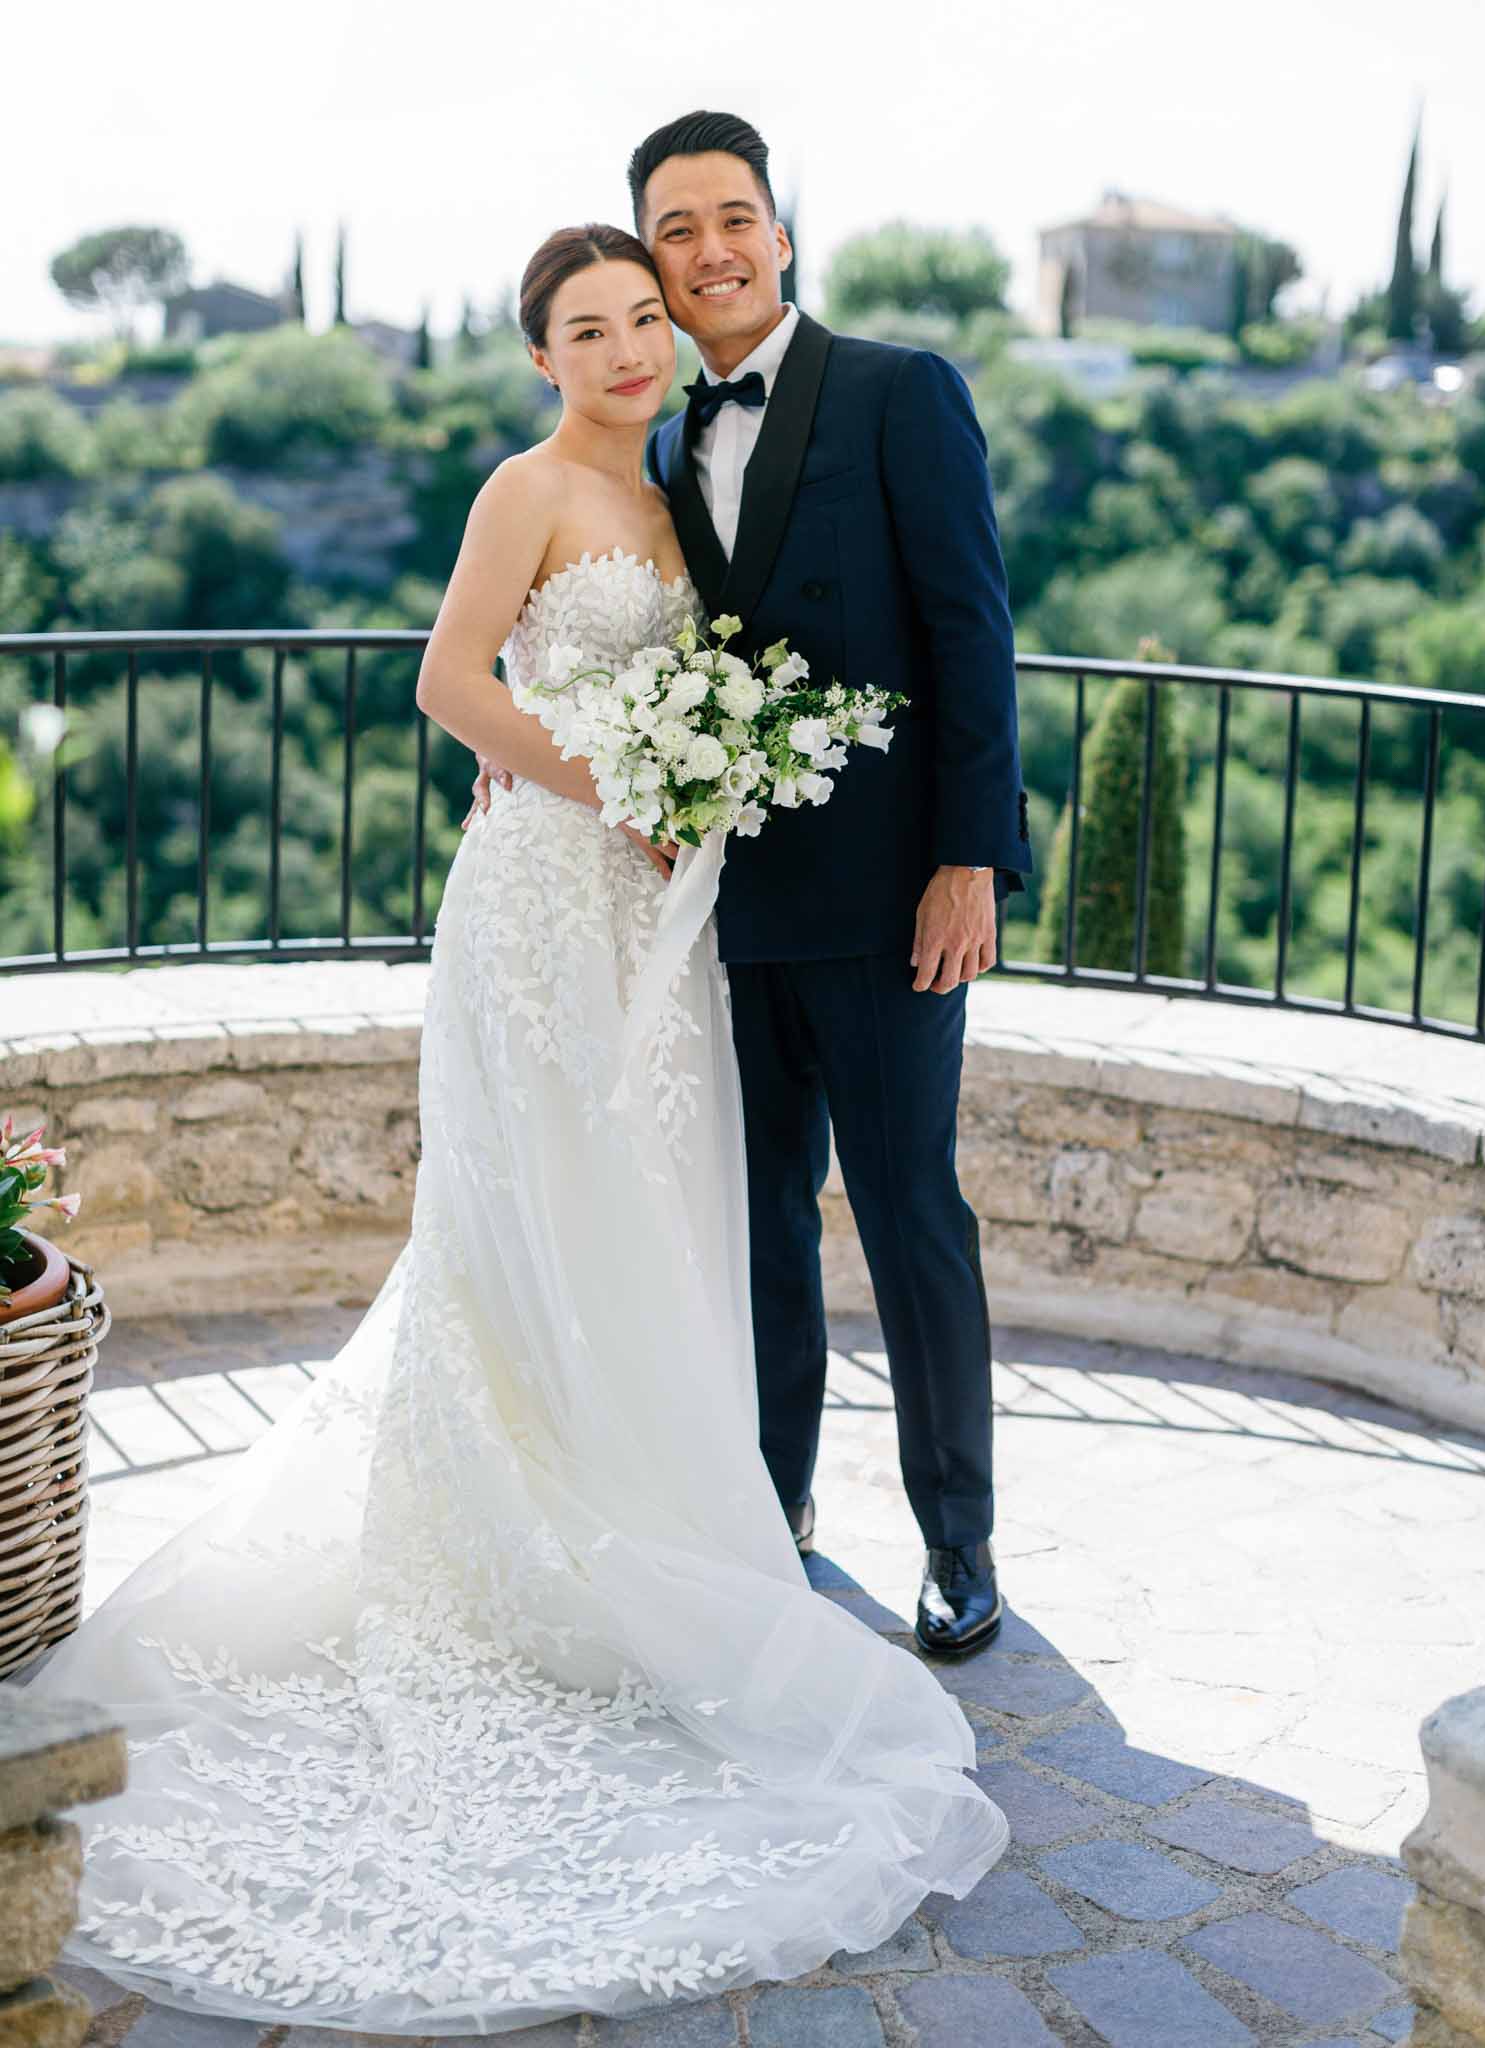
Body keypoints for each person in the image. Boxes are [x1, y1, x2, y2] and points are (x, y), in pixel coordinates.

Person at [19, 222, 1007, 2039]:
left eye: (645, 316)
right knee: (528, 1220)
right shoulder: (526, 484)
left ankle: (662, 1512)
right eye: (588, 326)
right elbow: (453, 684)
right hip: (544, 913)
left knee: (646, 1220)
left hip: (659, 926)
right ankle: (518, 1550)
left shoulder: (678, 506)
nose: (627, 346)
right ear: (538, 352)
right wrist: (620, 779)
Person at [633, 110, 1032, 1658]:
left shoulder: (896, 392)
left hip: (886, 905)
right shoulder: (665, 441)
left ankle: (957, 1543)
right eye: (678, 228)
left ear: (780, 234)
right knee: (759, 1226)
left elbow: (970, 630)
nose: (712, 248)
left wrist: (967, 858)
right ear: (654, 265)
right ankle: (771, 1506)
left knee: (909, 1212)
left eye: (734, 216)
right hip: (726, 912)